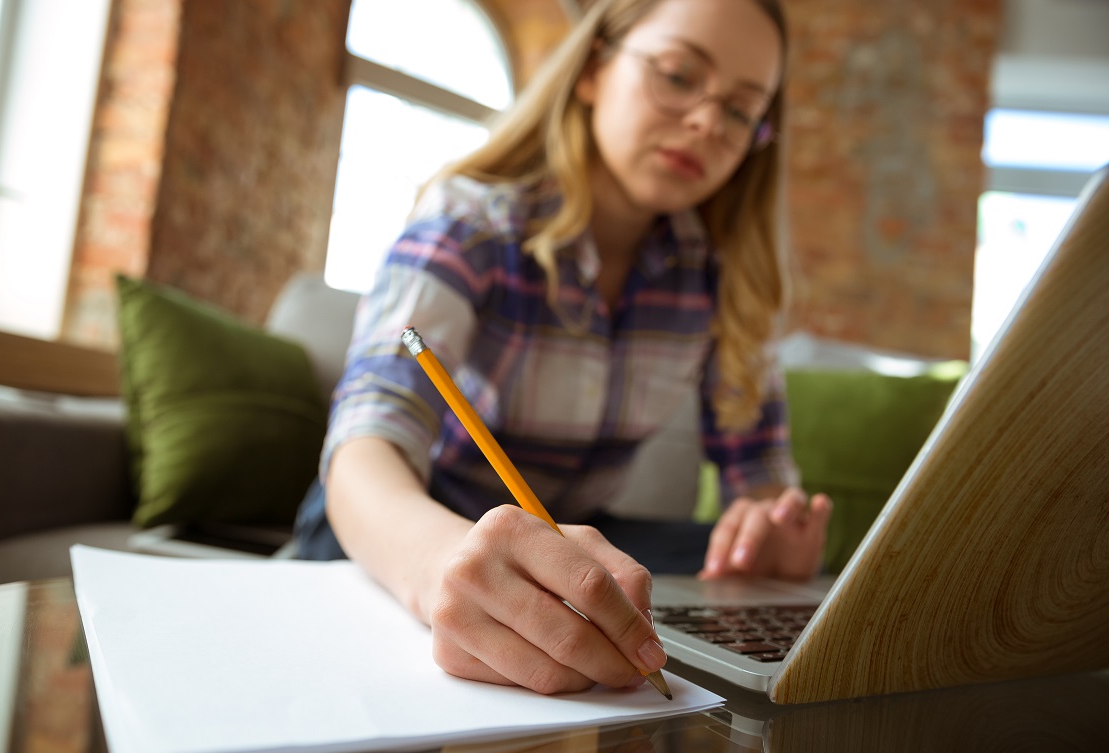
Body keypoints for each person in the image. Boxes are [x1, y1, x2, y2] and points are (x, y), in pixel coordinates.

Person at [295, 0, 831, 695]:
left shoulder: (723, 278)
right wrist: (440, 570)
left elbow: (760, 483)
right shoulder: (471, 221)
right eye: (676, 74)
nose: (705, 121)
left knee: (740, 582)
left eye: (739, 110)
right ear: (592, 69)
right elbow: (367, 448)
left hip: (575, 538)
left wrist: (769, 532)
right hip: (416, 521)